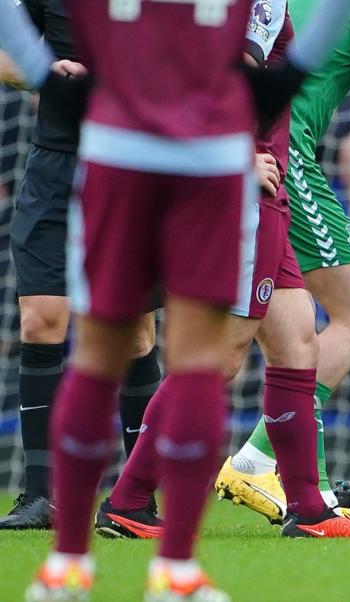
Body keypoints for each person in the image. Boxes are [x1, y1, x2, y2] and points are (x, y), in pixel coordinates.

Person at [1, 0, 350, 599]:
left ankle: (66, 566)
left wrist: (47, 79)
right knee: (198, 362)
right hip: (210, 157)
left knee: (98, 357)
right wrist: (283, 85)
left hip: (118, 152)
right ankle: (175, 569)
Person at [96, 2, 350, 543]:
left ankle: (308, 509)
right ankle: (129, 501)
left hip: (265, 194)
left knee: (298, 345)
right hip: (246, 188)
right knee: (219, 357)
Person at [220, 0, 350, 522]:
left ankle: (139, 490)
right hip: (279, 157)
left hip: (227, 147)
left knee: (276, 339)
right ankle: (260, 464)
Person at [0, 0, 161, 532]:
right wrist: (43, 71)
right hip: (55, 164)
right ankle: (43, 496)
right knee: (40, 320)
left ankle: (138, 498)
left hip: (133, 165)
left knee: (134, 333)